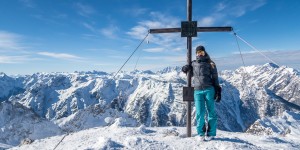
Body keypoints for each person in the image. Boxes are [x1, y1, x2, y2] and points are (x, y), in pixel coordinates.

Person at [182, 45, 221, 141]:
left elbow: (215, 78)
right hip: (197, 91)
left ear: (205, 52)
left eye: (202, 52)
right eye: (198, 52)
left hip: (209, 90)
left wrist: (218, 90)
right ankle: (201, 133)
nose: (200, 54)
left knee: (211, 112)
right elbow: (189, 74)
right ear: (196, 54)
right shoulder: (193, 64)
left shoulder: (211, 63)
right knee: (200, 113)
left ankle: (211, 133)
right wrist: (184, 68)